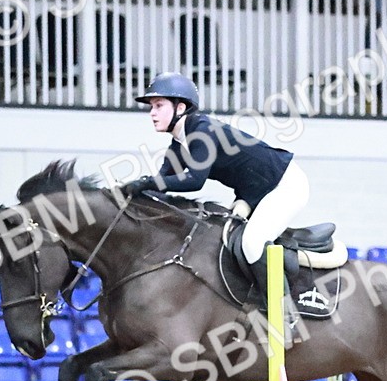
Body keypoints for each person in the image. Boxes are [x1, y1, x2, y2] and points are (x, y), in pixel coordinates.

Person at [119, 72, 307, 327]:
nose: (152, 113)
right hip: (254, 193)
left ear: (180, 107)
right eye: (152, 107)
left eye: (159, 106)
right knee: (223, 238)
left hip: (285, 185)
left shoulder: (202, 130)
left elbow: (194, 180)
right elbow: (160, 188)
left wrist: (146, 182)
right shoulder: (179, 144)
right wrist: (127, 196)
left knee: (252, 243)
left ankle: (285, 315)